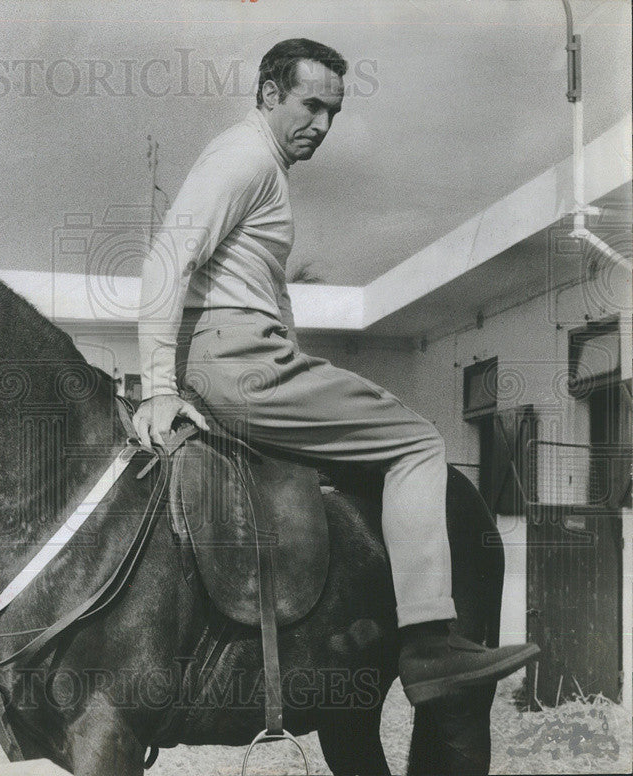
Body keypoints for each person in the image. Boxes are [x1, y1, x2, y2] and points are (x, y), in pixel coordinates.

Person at [133, 38, 538, 705]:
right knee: (418, 442)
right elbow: (165, 260)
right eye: (311, 104)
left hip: (235, 355)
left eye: (334, 113)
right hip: (244, 364)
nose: (322, 125)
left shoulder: (250, 156)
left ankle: (345, 625)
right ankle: (429, 641)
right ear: (269, 93)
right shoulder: (245, 159)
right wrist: (156, 389)